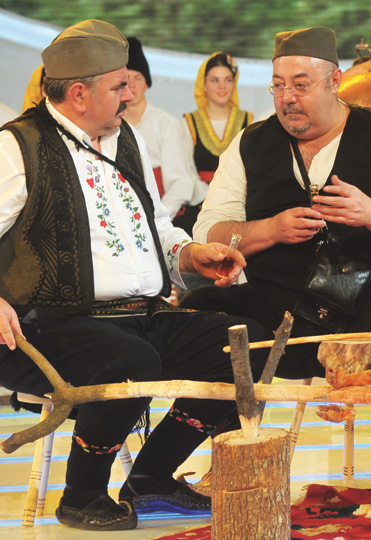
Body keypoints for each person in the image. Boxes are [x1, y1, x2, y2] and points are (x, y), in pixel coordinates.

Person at [0, 20, 268, 530]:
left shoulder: (128, 139)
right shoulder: (18, 147)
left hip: (141, 316)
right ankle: (81, 494)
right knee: (131, 361)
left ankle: (150, 477)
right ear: (79, 93)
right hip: (48, 325)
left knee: (244, 346)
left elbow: (157, 225)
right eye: (119, 85)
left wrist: (190, 253)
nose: (130, 95)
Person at [181, 27, 371, 493]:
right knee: (200, 312)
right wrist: (270, 229)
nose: (287, 98)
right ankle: (230, 451)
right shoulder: (250, 143)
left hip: (364, 314)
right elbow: (208, 230)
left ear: (335, 81)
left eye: (301, 85)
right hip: (279, 314)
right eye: (278, 86)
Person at [121, 37, 202, 219]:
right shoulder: (109, 125)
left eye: (138, 78)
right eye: (126, 79)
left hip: (161, 214)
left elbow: (180, 183)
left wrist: (157, 219)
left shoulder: (166, 124)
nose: (131, 85)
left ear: (147, 84)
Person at [174, 52, 253, 235]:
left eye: (227, 80)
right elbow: (186, 173)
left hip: (240, 205)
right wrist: (215, 198)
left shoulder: (249, 121)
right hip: (200, 206)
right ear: (204, 85)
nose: (222, 86)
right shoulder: (188, 123)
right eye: (215, 80)